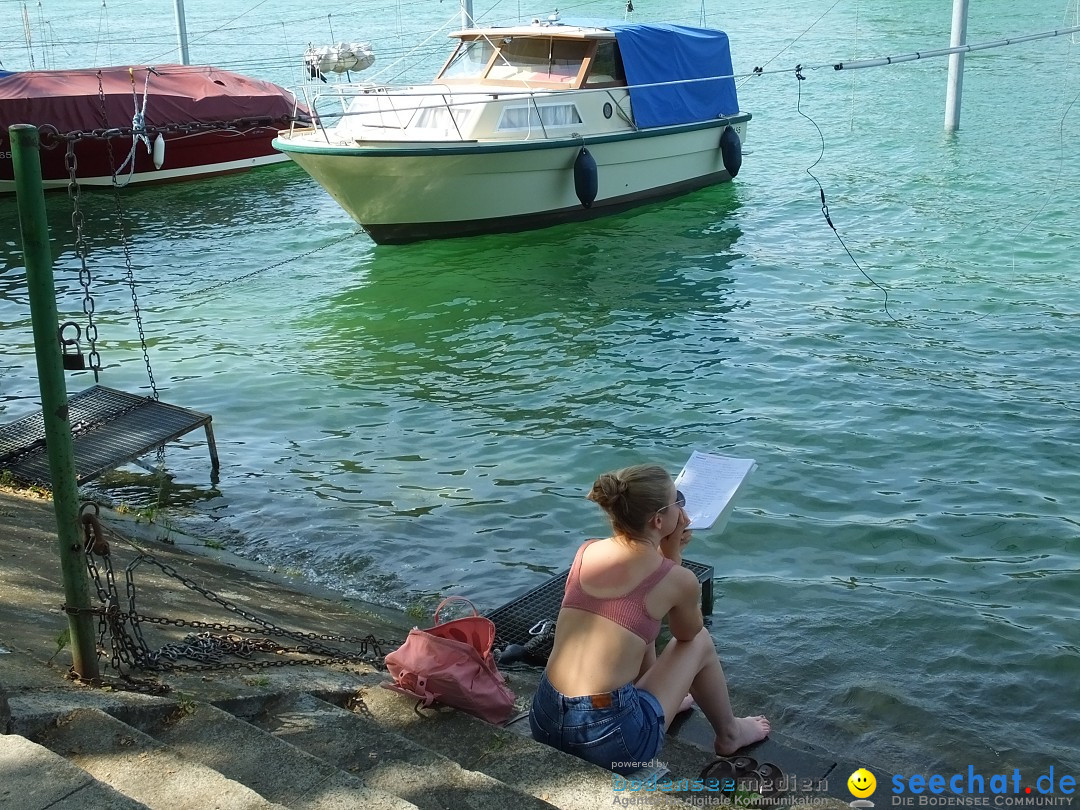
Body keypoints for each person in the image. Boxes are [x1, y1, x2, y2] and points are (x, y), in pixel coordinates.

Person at [529, 463, 769, 774]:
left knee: (634, 622)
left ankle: (660, 694)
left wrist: (665, 558)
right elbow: (688, 635)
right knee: (701, 641)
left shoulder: (587, 551)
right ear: (658, 520)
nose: (683, 508)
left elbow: (635, 622)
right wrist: (673, 560)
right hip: (609, 742)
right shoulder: (676, 579)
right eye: (678, 500)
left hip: (545, 717)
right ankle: (730, 732)